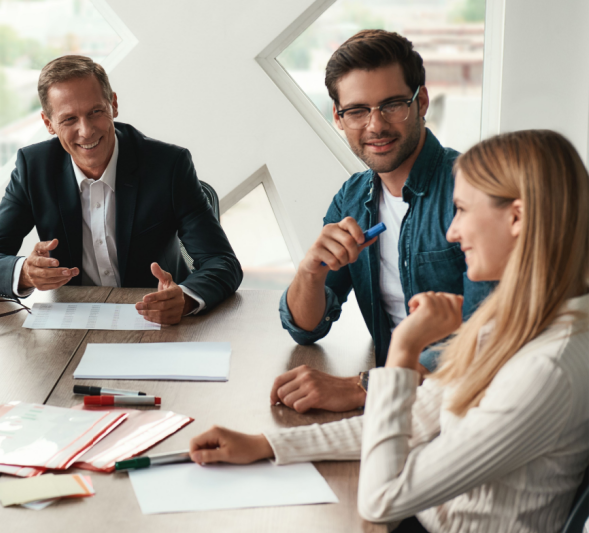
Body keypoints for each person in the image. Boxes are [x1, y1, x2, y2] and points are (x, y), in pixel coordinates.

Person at [190, 130, 589, 533]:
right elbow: (413, 421)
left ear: (517, 218)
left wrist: (404, 349)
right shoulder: (521, 321)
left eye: (464, 210)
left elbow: (383, 500)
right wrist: (267, 444)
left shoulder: (545, 366)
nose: (453, 232)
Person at [274, 30, 494, 413]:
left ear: (421, 101)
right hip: (395, 403)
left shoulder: (473, 187)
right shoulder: (352, 198)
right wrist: (310, 272)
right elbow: (307, 328)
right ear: (339, 118)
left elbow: (492, 333)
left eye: (392, 105)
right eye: (357, 111)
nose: (375, 126)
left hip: (464, 405)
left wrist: (364, 388)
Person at [0, 55, 242, 324]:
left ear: (113, 104)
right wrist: (24, 273)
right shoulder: (33, 169)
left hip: (158, 322)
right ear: (48, 124)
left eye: (95, 112)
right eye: (69, 120)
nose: (86, 131)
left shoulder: (168, 166)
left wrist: (185, 298)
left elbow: (222, 262)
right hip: (73, 325)